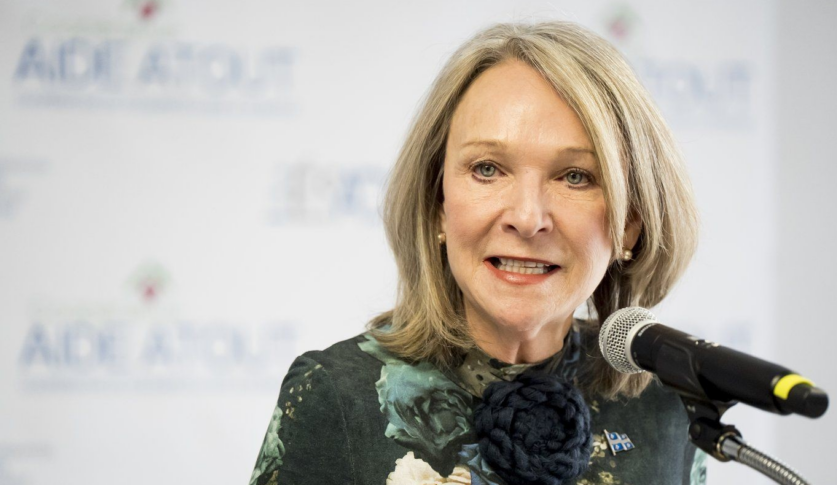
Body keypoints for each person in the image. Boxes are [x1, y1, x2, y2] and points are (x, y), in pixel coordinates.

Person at [249, 21, 704, 485]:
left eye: (575, 176)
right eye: (487, 169)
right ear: (438, 204)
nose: (527, 218)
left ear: (630, 223)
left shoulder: (669, 407)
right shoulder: (336, 397)